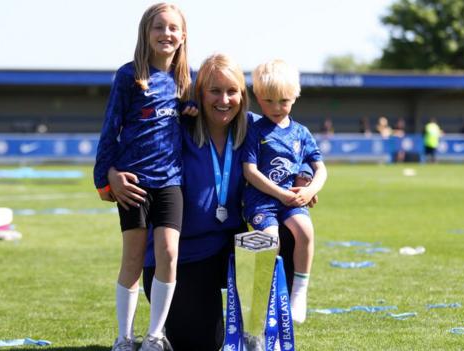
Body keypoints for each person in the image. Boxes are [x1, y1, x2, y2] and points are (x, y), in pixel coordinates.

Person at [106, 53, 316, 350]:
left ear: (243, 95)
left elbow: (296, 150)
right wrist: (112, 171)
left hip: (230, 243)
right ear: (199, 93)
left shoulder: (255, 128)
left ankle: (254, 330)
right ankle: (169, 325)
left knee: (287, 232)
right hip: (182, 255)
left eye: (232, 91)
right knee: (203, 343)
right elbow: (134, 142)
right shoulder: (178, 127)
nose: (224, 100)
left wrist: (303, 177)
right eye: (215, 91)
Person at [93, 3, 193, 351]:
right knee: (133, 258)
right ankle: (124, 336)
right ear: (146, 33)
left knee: (168, 251)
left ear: (183, 36)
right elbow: (110, 129)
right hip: (132, 183)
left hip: (170, 182)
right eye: (158, 27)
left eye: (173, 28)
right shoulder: (128, 75)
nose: (166, 34)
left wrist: (191, 113)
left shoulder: (187, 81)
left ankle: (154, 335)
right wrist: (105, 177)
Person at [242, 59, 327, 324]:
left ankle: (298, 294)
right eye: (268, 101)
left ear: (295, 96)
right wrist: (280, 193)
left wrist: (310, 188)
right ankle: (265, 299)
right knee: (270, 241)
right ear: (257, 96)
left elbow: (321, 168)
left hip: (292, 199)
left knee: (305, 231)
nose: (276, 107)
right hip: (261, 201)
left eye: (284, 101)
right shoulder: (253, 130)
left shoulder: (301, 132)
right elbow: (250, 171)